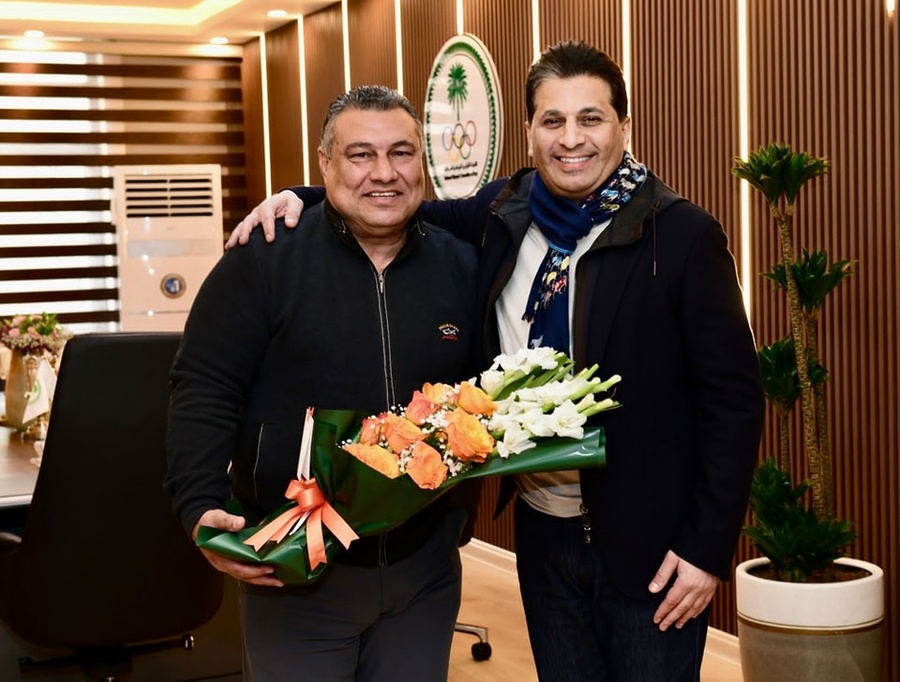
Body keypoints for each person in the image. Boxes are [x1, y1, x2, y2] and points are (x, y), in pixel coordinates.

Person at [228, 42, 765, 682]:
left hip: (651, 545)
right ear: (530, 131)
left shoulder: (679, 235)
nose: (572, 139)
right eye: (553, 120)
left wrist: (705, 548)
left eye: (591, 118)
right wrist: (297, 197)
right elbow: (392, 200)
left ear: (624, 127)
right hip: (543, 535)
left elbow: (733, 402)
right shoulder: (501, 213)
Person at [165, 85, 480, 681]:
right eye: (360, 154)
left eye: (401, 153)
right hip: (295, 569)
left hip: (424, 572)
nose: (383, 172)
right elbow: (204, 386)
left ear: (422, 162)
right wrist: (199, 504)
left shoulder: (462, 265)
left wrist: (460, 515)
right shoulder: (262, 259)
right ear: (325, 163)